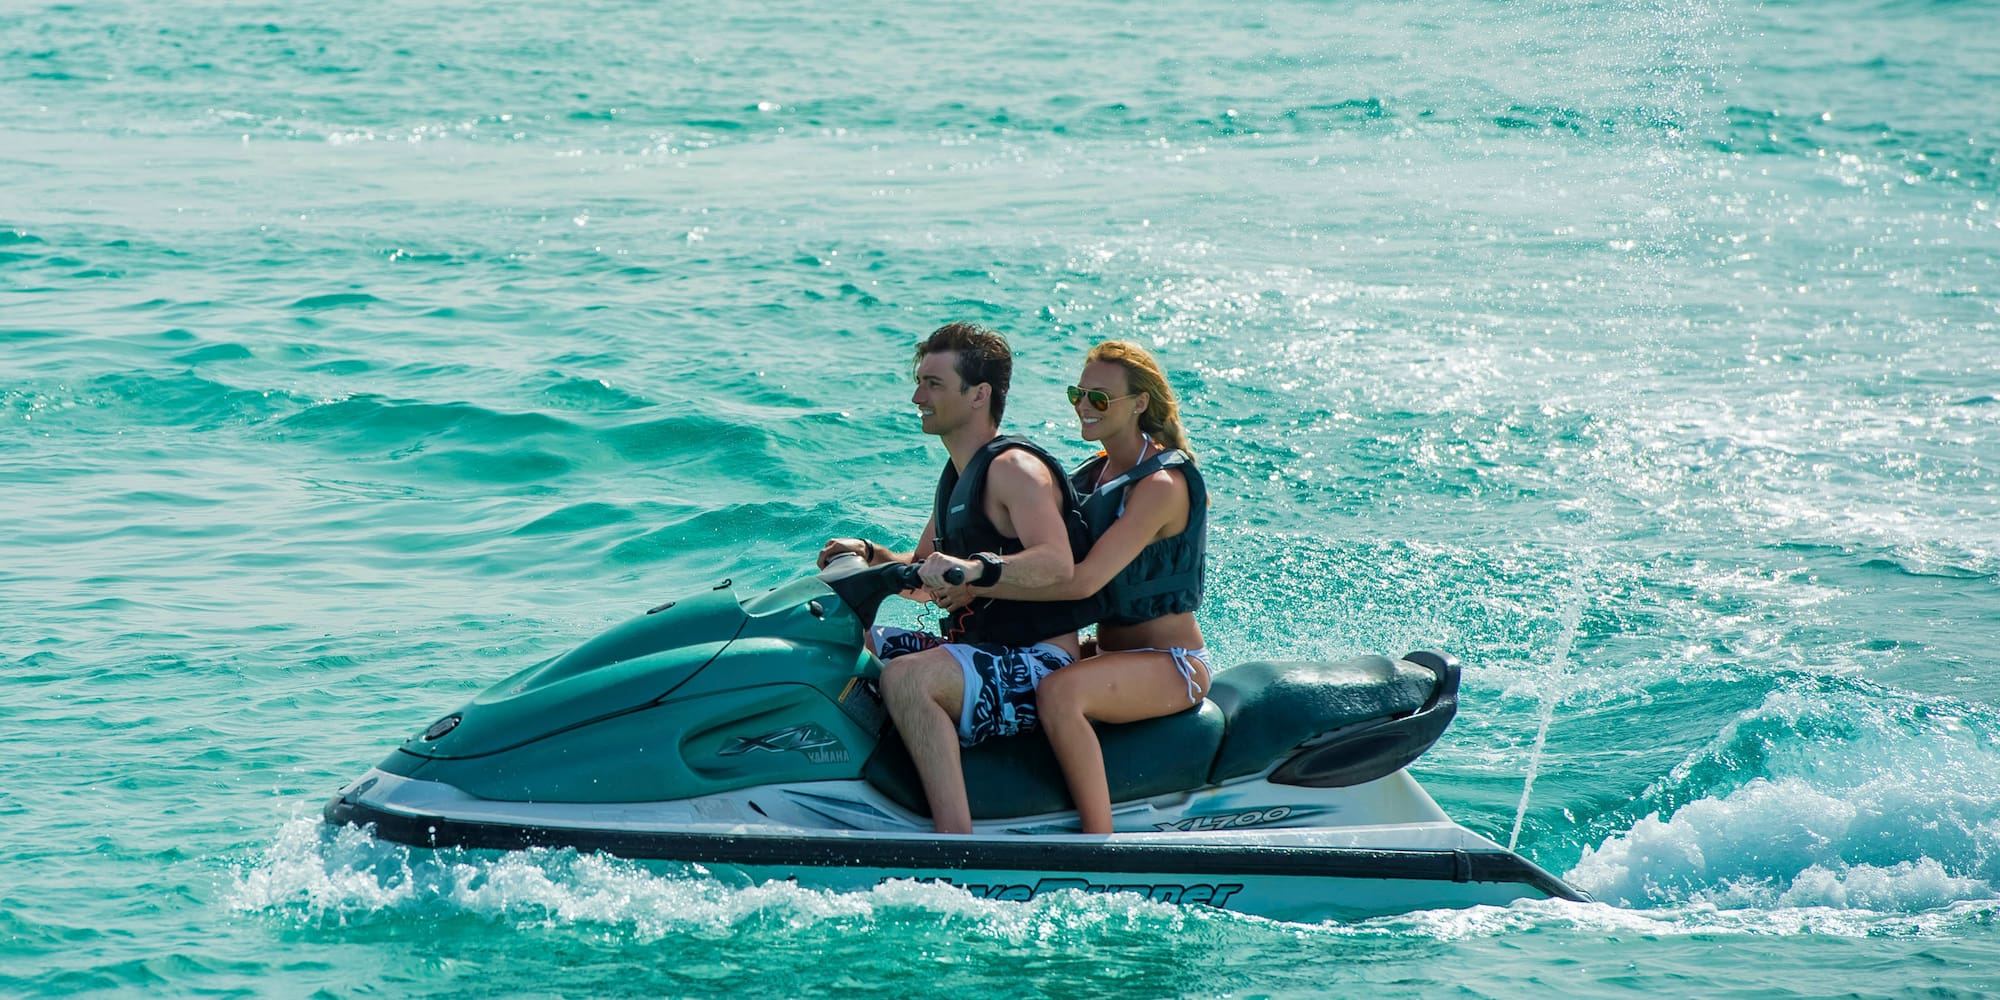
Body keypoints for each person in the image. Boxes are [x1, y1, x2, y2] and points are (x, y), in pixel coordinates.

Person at [816, 322, 1097, 834]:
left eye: (933, 384)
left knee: (907, 678)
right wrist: (871, 555)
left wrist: (976, 570)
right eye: (919, 382)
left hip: (1039, 663)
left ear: (978, 395)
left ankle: (954, 840)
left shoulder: (1015, 470)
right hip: (978, 653)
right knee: (838, 640)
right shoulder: (956, 476)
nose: (917, 397)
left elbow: (1057, 562)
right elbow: (923, 575)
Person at [970, 340, 1208, 834]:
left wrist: (981, 578)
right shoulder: (1092, 475)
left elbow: (1082, 582)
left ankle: (1098, 841)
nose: (1084, 405)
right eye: (1077, 394)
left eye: (1099, 397)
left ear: (1139, 404)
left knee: (1059, 693)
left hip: (1173, 663)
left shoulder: (1161, 486)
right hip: (1106, 653)